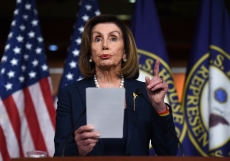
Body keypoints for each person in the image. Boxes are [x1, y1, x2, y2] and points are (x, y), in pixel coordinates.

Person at [54, 14, 178, 156]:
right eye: (97, 39)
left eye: (113, 38)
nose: (105, 45)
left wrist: (159, 107)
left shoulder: (144, 93)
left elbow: (168, 153)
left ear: (125, 53)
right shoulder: (70, 94)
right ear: (89, 53)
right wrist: (79, 149)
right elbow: (59, 155)